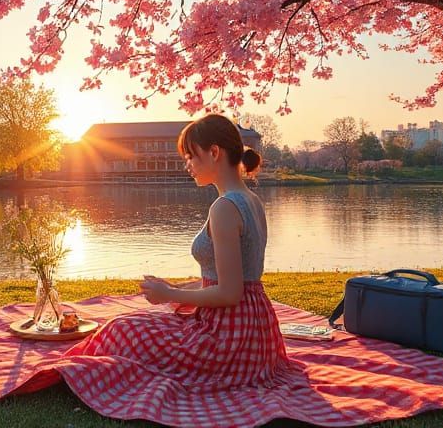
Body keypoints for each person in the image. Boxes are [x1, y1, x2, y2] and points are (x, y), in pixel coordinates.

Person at [60, 113, 298, 395]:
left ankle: (72, 369)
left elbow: (229, 293)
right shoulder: (252, 200)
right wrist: (174, 287)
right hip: (255, 333)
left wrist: (169, 295)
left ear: (214, 152)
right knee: (133, 324)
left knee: (121, 330)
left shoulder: (224, 208)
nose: (187, 165)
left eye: (190, 156)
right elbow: (235, 281)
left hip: (226, 339)